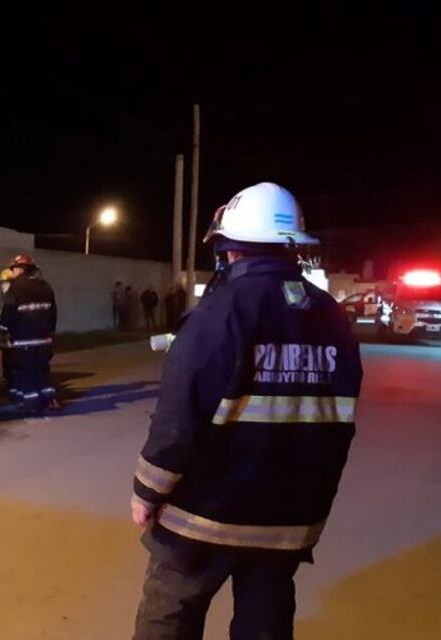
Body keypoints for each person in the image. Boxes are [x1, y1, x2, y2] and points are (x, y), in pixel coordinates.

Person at [130, 182, 362, 640]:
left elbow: (178, 421)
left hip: (204, 516)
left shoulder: (218, 313)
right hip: (287, 522)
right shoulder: (332, 317)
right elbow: (338, 427)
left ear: (230, 251)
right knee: (266, 622)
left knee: (171, 611)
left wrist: (146, 492)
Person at [0, 253, 58, 414]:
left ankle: (31, 404)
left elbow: (7, 316)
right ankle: (49, 400)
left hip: (24, 340)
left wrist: (4, 329)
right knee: (43, 371)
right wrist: (50, 332)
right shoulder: (45, 286)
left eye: (14, 269)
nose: (13, 272)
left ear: (20, 269)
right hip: (44, 340)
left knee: (26, 373)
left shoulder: (15, 288)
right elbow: (53, 312)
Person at [0, 268, 19, 399]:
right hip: (9, 341)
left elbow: (8, 319)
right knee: (9, 366)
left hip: (12, 340)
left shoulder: (11, 298)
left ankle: (13, 390)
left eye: (5, 283)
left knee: (12, 366)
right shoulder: (10, 298)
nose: (3, 286)